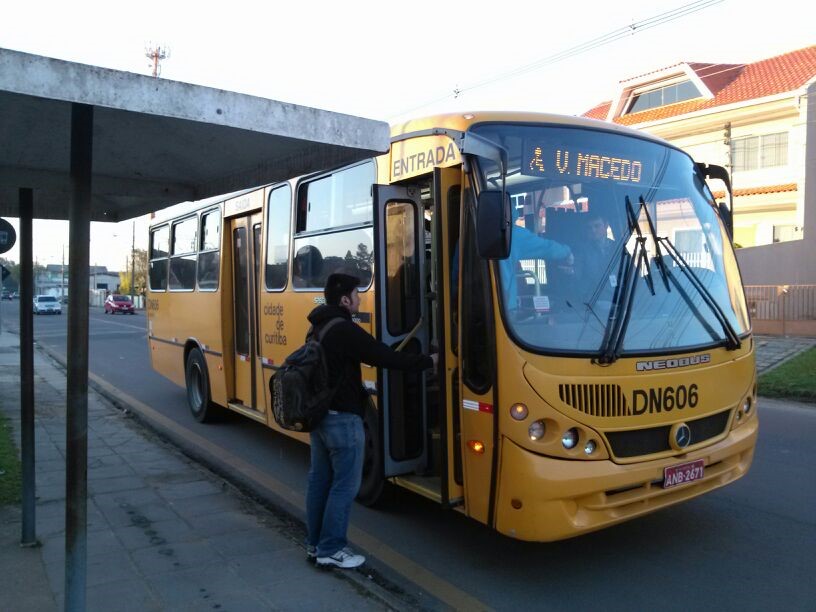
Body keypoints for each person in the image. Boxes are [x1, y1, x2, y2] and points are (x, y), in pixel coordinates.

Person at [305, 272, 437, 569]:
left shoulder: (318, 326)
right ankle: (331, 549)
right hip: (343, 422)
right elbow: (384, 357)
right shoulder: (345, 330)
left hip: (321, 420)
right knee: (343, 487)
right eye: (356, 293)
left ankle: (314, 545)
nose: (360, 298)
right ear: (344, 299)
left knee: (319, 482)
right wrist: (429, 361)